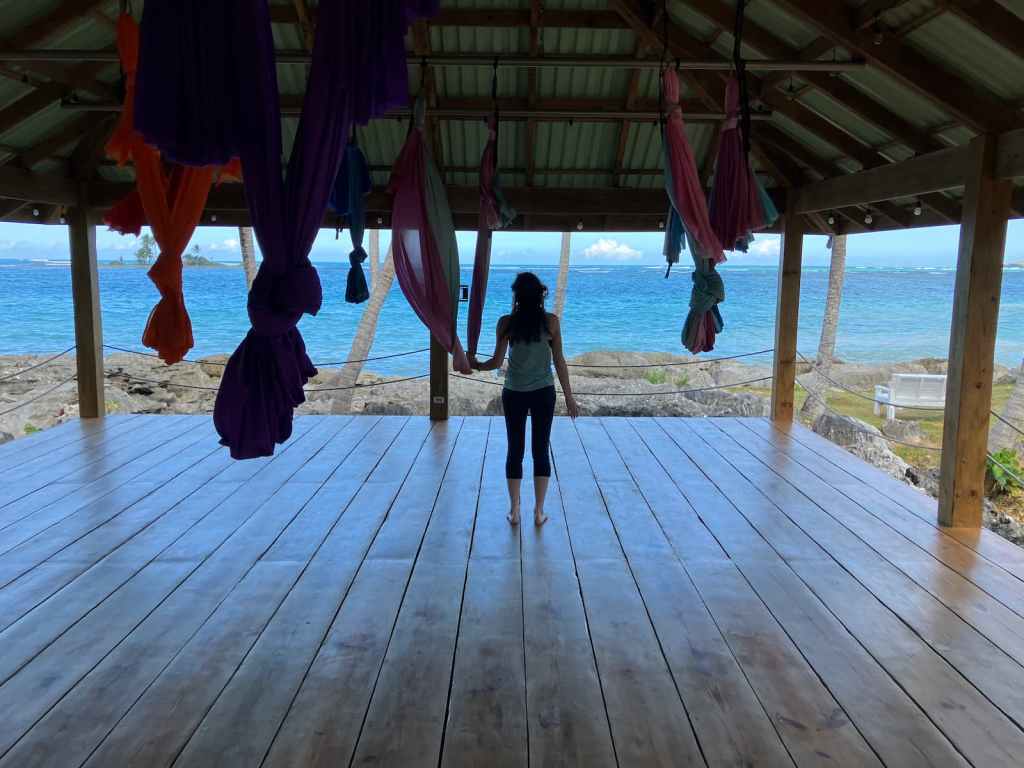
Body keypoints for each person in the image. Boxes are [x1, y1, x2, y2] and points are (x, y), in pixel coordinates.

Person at [470, 272, 579, 526]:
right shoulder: (551, 322)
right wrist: (569, 397)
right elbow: (559, 361)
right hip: (544, 393)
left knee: (515, 450)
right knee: (541, 450)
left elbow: (496, 362)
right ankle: (539, 512)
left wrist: (475, 365)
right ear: (541, 294)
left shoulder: (506, 323)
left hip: (514, 393)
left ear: (517, 295)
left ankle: (514, 510)